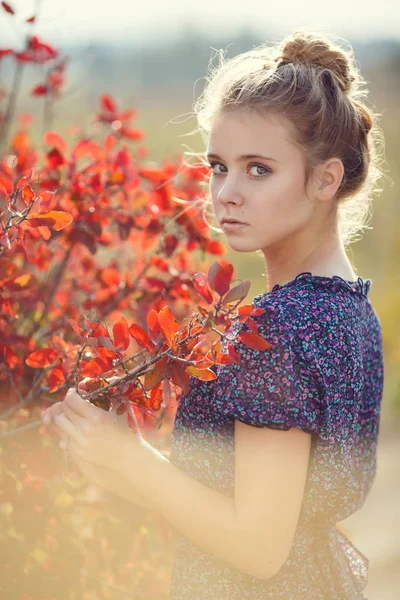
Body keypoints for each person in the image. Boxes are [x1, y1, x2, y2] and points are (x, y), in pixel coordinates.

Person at [44, 28, 385, 600]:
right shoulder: (350, 309)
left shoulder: (277, 329)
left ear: (326, 178)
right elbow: (275, 509)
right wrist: (112, 463)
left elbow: (257, 547)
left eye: (258, 169)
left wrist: (128, 456)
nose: (225, 191)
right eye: (218, 165)